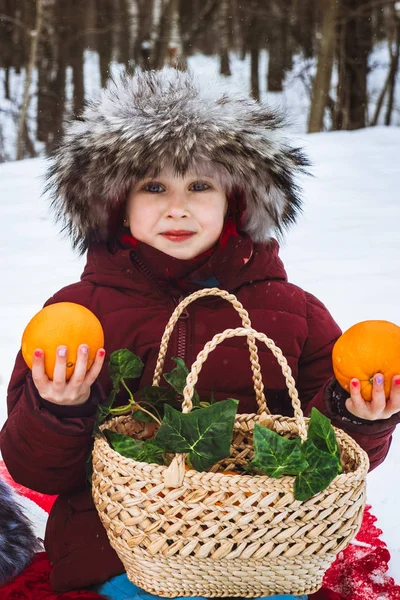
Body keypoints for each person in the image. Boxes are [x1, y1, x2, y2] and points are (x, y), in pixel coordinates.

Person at [1, 68, 399, 600]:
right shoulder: (79, 311)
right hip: (113, 550)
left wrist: (358, 417)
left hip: (264, 550)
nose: (178, 207)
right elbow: (37, 466)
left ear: (236, 196)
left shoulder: (292, 310)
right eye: (154, 186)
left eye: (200, 185)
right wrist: (59, 407)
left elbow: (326, 459)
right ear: (116, 200)